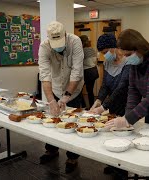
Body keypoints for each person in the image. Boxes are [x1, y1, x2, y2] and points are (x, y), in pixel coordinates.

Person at [38, 21, 84, 173]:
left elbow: (77, 72)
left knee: (73, 122)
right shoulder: (44, 47)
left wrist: (66, 97)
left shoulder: (75, 42)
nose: (57, 46)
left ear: (65, 35)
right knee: (54, 120)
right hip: (56, 87)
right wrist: (51, 100)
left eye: (60, 42)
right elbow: (44, 76)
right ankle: (51, 150)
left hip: (74, 90)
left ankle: (72, 157)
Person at [89, 34, 132, 116]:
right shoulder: (107, 63)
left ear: (115, 47)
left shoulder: (128, 62)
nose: (105, 55)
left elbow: (121, 88)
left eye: (106, 52)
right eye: (103, 53)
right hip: (112, 105)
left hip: (127, 105)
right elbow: (105, 85)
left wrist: (103, 107)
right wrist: (99, 100)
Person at [79, 35, 99, 108]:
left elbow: (79, 62)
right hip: (94, 71)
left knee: (79, 90)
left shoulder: (82, 50)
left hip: (87, 72)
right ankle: (91, 106)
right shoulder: (92, 49)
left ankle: (84, 106)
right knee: (90, 91)